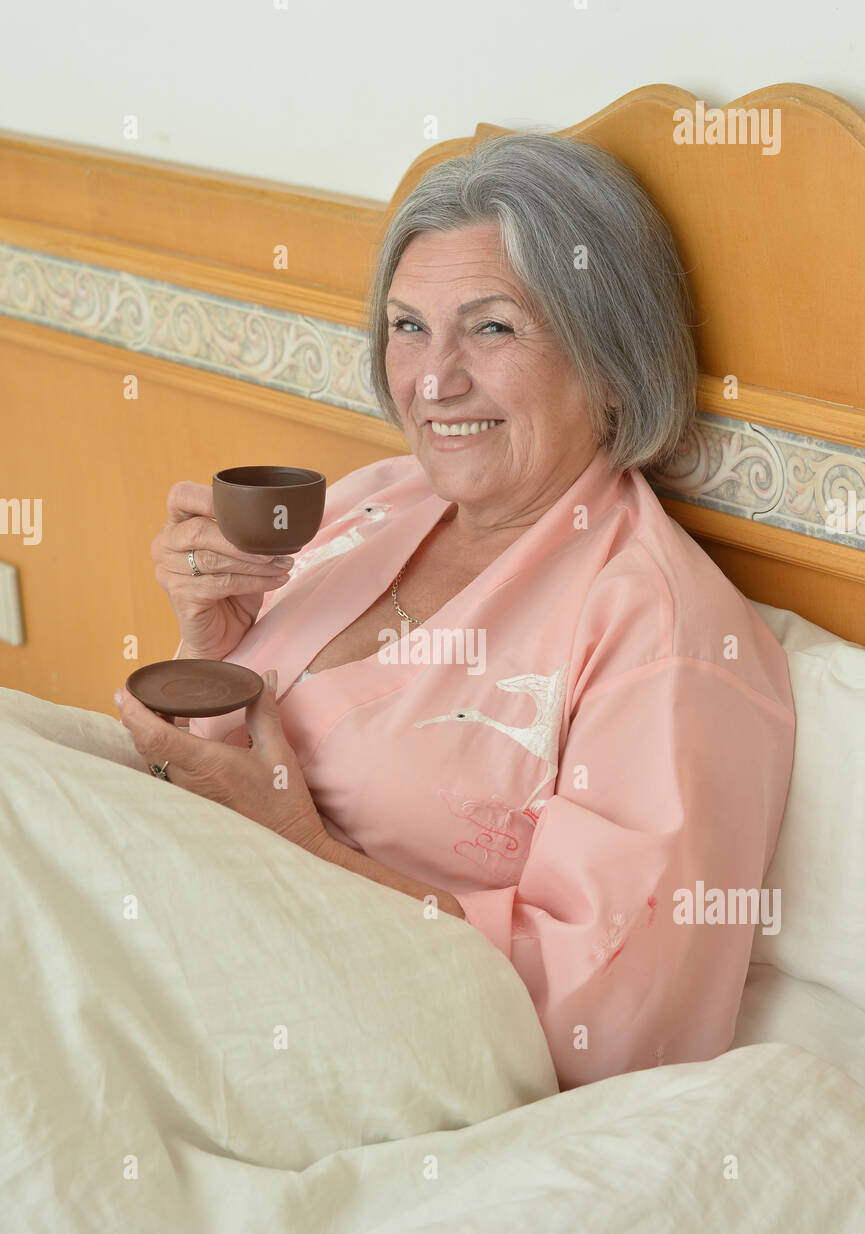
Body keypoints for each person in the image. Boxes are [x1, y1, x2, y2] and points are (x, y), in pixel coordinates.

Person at [115, 134, 795, 1090]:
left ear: (609, 363)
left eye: (491, 329)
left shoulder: (663, 633)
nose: (431, 381)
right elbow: (218, 772)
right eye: (406, 327)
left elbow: (609, 1028)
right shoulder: (373, 502)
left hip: (357, 1040)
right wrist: (212, 649)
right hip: (185, 940)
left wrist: (302, 847)